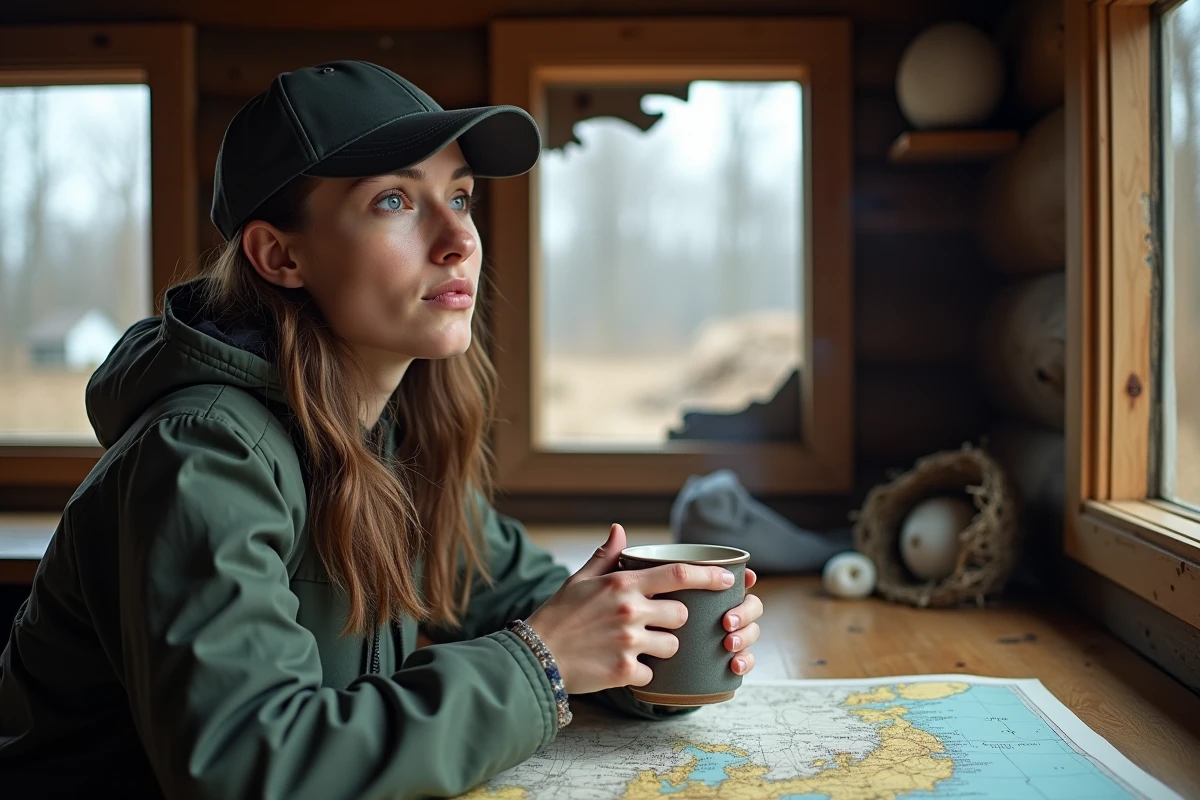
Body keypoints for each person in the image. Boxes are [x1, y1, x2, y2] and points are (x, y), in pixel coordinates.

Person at [0, 61, 764, 799]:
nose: (458, 239)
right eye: (395, 202)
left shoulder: (379, 434)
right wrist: (545, 663)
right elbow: (249, 765)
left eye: (459, 197)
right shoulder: (201, 456)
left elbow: (519, 594)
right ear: (280, 254)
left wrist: (653, 636)